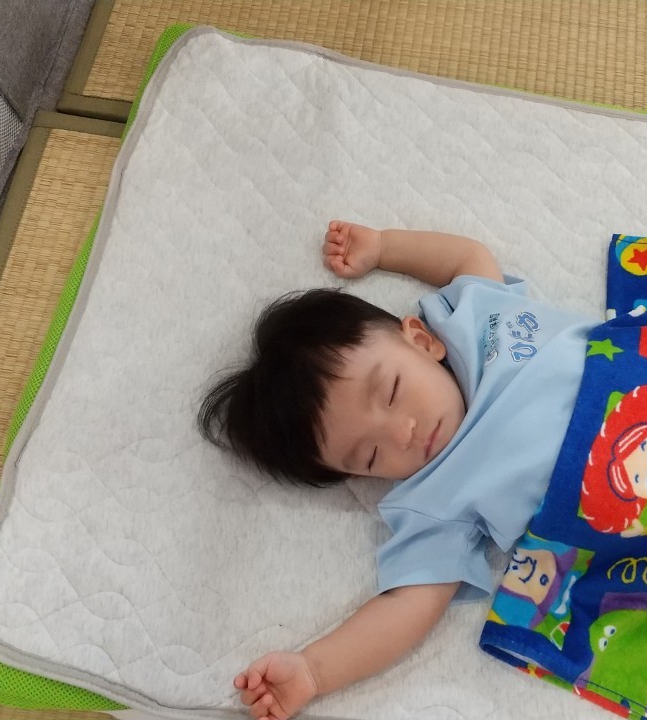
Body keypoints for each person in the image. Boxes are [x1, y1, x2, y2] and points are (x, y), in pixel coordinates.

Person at [197, 220, 598, 720]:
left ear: (421, 340)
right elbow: (409, 604)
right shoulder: (432, 501)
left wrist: (384, 247)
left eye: (390, 392)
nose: (402, 433)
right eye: (370, 456)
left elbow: (467, 257)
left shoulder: (477, 320)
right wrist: (316, 671)